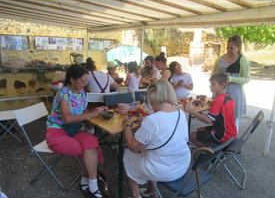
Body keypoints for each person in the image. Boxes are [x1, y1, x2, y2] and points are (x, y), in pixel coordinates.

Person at [46, 65, 107, 198]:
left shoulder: (82, 93)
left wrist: (95, 111)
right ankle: (93, 184)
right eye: (82, 81)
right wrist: (90, 115)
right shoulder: (64, 93)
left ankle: (87, 182)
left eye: (86, 81)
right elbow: (67, 119)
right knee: (91, 150)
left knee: (93, 142)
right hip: (57, 132)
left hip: (74, 131)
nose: (85, 84)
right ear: (73, 80)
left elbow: (81, 112)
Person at [122, 80, 191, 198]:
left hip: (165, 171)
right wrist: (149, 120)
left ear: (153, 98)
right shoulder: (181, 113)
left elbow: (133, 147)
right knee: (153, 151)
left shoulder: (153, 120)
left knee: (128, 153)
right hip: (182, 165)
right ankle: (151, 190)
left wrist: (126, 125)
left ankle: (135, 195)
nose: (150, 104)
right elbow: (164, 125)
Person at [184, 72, 237, 148]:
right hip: (231, 133)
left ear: (222, 85)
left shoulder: (218, 99)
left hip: (223, 135)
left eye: (213, 84)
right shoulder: (228, 97)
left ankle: (210, 153)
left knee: (192, 135)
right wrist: (212, 106)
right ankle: (210, 147)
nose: (210, 86)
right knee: (200, 129)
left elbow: (208, 120)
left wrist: (191, 111)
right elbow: (221, 115)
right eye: (210, 84)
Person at [213, 35, 250, 132]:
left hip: (234, 93)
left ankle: (230, 144)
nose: (229, 50)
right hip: (219, 91)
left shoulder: (243, 60)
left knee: (233, 119)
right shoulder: (221, 58)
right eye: (227, 47)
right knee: (218, 116)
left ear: (238, 48)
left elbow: (246, 79)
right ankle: (218, 138)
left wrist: (231, 79)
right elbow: (213, 73)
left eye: (232, 48)